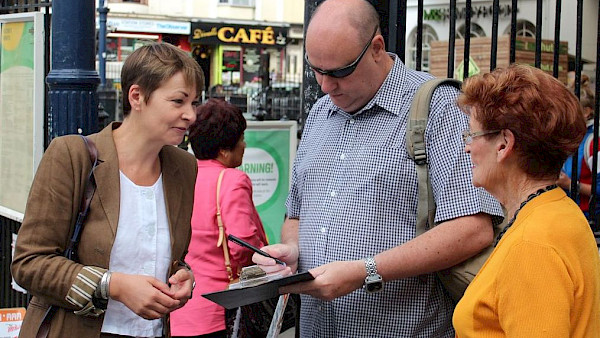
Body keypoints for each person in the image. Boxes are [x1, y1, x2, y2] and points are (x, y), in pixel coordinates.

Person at [252, 0, 503, 336]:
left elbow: (473, 227)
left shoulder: (438, 107)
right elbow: (296, 214)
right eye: (316, 69)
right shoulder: (319, 114)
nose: (325, 86)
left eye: (340, 71)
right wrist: (292, 251)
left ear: (376, 48)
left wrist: (366, 270)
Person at [11, 42, 204, 338]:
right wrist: (112, 285)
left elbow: (167, 254)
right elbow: (28, 263)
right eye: (179, 101)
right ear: (137, 96)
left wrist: (183, 276)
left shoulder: (183, 167)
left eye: (195, 103)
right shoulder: (72, 155)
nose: (191, 115)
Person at [453, 64, 600, 336]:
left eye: (472, 134)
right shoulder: (557, 211)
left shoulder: (532, 244)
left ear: (503, 144)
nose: (467, 146)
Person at [170, 98, 268, 337]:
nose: (244, 145)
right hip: (218, 309)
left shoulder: (181, 176)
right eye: (241, 139)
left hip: (177, 308)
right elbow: (243, 244)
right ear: (224, 149)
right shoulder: (232, 181)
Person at [558, 74, 599, 217]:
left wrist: (570, 184)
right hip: (571, 214)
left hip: (589, 217)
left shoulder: (594, 142)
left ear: (587, 112)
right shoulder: (573, 137)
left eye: (570, 109)